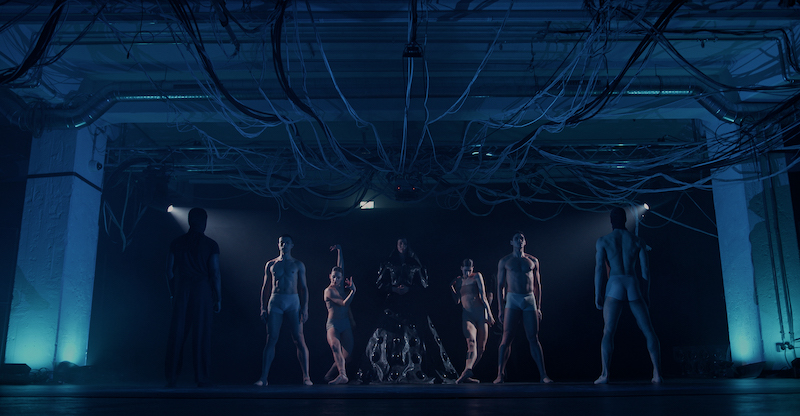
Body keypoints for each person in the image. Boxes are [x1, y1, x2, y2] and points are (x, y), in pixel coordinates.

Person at [359, 238, 458, 383]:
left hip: (411, 303)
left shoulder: (415, 264)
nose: (402, 246)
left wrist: (409, 289)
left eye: (404, 243)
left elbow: (423, 284)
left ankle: (417, 369)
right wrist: (393, 289)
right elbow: (380, 283)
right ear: (396, 244)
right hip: (393, 303)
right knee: (386, 335)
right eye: (400, 243)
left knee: (416, 334)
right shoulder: (388, 264)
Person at [594, 207, 662, 384]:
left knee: (608, 331)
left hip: (615, 282)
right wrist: (646, 293)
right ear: (625, 220)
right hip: (632, 282)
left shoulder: (604, 240)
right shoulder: (637, 240)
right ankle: (657, 373)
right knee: (648, 330)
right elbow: (645, 270)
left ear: (611, 221)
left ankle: (605, 374)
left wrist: (597, 293)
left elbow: (600, 269)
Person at [164, 207, 221, 388]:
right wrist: (218, 297)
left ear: (189, 221)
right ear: (205, 222)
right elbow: (215, 273)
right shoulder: (211, 244)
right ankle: (201, 378)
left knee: (177, 333)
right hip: (202, 290)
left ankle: (172, 377)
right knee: (201, 333)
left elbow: (169, 271)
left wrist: (173, 293)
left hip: (182, 289)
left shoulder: (176, 242)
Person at [494, 231, 552, 384]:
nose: (519, 240)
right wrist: (500, 309)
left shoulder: (533, 261)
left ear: (525, 242)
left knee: (533, 337)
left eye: (521, 238)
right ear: (511, 242)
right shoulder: (505, 261)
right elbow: (500, 286)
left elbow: (538, 285)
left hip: (529, 299)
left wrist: (538, 307)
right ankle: (500, 374)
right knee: (507, 337)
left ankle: (543, 375)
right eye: (516, 238)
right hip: (512, 299)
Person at [255, 234, 312, 386]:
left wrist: (305, 307)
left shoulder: (298, 264)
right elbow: (265, 287)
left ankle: (306, 377)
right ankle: (263, 378)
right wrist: (262, 307)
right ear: (278, 244)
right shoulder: (271, 264)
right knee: (271, 338)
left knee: (299, 338)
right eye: (282, 242)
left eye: (287, 243)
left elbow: (304, 287)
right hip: (276, 300)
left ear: (292, 245)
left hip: (293, 301)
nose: (284, 245)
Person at [450, 258, 495, 383]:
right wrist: (452, 287)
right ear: (461, 268)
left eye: (470, 270)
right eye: (465, 270)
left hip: (480, 314)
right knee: (471, 342)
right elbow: (457, 301)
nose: (467, 273)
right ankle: (467, 370)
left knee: (481, 347)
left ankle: (466, 373)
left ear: (473, 268)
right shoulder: (459, 280)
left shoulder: (476, 276)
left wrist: (489, 314)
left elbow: (483, 295)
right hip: (468, 315)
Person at [323, 244, 356, 385]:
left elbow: (340, 266)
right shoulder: (328, 291)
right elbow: (343, 304)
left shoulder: (341, 287)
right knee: (335, 346)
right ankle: (343, 375)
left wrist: (339, 250)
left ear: (341, 278)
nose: (335, 280)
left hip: (345, 323)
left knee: (347, 356)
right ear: (330, 277)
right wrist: (353, 291)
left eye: (338, 278)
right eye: (333, 277)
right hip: (333, 325)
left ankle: (329, 375)